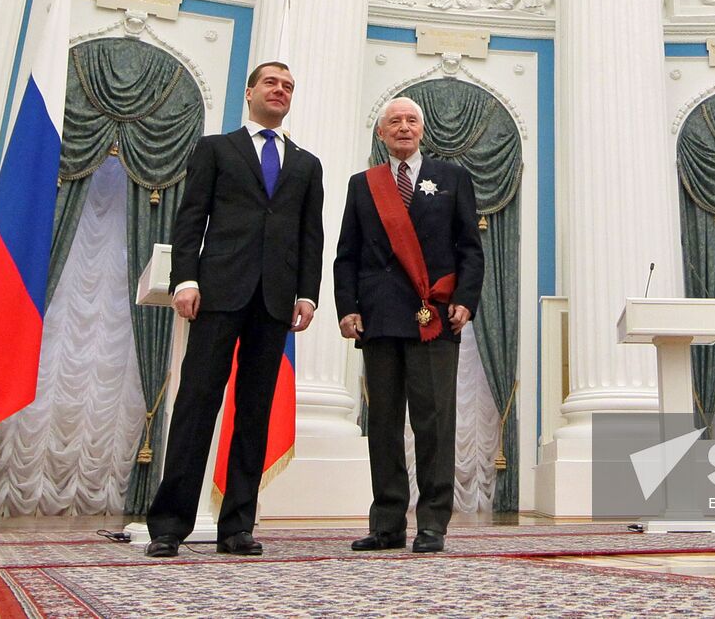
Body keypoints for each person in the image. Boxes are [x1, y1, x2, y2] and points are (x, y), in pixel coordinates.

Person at [144, 62, 324, 558]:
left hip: (274, 303)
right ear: (249, 93)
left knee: (254, 413)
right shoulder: (216, 149)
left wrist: (307, 293)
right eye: (272, 83)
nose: (281, 90)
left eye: (289, 85)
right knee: (196, 405)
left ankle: (237, 526)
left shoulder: (307, 164)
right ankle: (168, 525)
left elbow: (312, 235)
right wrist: (185, 278)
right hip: (218, 293)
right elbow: (190, 218)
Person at [336, 97, 484, 554]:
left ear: (422, 130)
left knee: (433, 421)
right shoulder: (364, 185)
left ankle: (433, 522)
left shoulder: (452, 178)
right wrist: (347, 308)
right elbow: (347, 254)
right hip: (378, 317)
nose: (403, 127)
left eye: (411, 121)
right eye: (394, 121)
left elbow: (470, 249)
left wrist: (465, 301)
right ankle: (386, 522)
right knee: (382, 422)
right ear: (381, 134)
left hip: (433, 315)